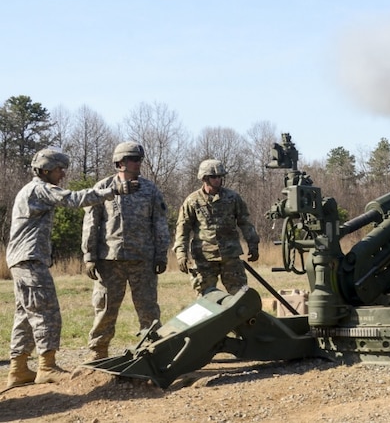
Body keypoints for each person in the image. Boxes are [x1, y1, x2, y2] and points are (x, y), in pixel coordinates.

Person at [5, 148, 137, 388]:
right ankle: (47, 367)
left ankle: (18, 369)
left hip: (22, 260)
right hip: (30, 260)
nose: (62, 174)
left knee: (25, 314)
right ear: (45, 170)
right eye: (59, 169)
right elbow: (73, 199)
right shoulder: (40, 188)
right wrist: (113, 190)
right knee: (47, 311)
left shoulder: (29, 190)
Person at [81, 141, 170, 361]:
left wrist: (161, 254)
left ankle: (153, 353)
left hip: (143, 260)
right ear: (120, 163)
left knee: (149, 309)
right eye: (133, 159)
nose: (138, 163)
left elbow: (159, 222)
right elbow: (91, 224)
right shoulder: (103, 188)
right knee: (105, 309)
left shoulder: (149, 189)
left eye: (139, 159)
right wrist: (89, 255)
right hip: (110, 261)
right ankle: (98, 353)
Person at [174, 159, 260, 295]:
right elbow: (182, 228)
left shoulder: (232, 198)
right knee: (205, 299)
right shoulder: (193, 201)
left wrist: (253, 244)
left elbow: (245, 222)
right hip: (204, 257)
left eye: (220, 176)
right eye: (214, 177)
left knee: (241, 296)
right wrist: (181, 254)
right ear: (204, 178)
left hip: (230, 256)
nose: (218, 180)